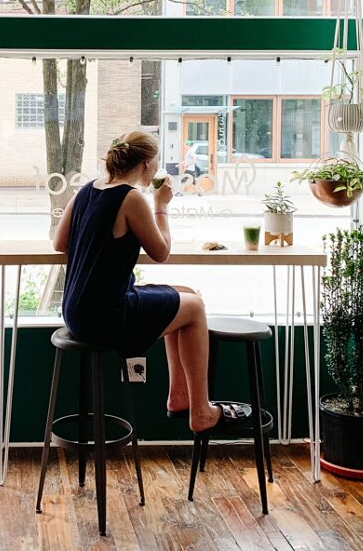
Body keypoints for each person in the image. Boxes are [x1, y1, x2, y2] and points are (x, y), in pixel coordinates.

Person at [52, 131, 248, 435]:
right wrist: (161, 204)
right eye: (154, 164)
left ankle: (180, 396)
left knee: (184, 295)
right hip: (107, 317)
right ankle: (202, 411)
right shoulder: (131, 198)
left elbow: (59, 242)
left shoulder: (87, 190)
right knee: (195, 308)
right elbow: (161, 252)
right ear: (145, 164)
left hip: (75, 311)